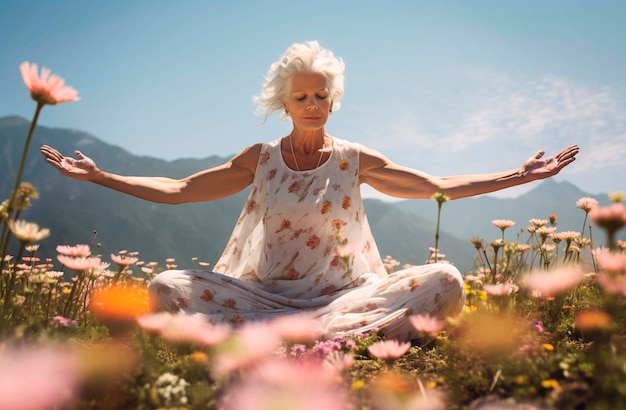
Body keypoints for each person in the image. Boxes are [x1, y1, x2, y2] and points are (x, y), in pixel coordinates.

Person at [40, 41, 579, 342]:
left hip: (346, 297)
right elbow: (181, 188)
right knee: (162, 285)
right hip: (263, 296)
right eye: (302, 96)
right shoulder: (261, 159)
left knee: (446, 278)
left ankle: (303, 335)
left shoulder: (354, 159)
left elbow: (435, 186)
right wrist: (102, 176)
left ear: (332, 100)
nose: (313, 103)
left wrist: (519, 176)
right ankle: (315, 337)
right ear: (285, 102)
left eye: (321, 95)